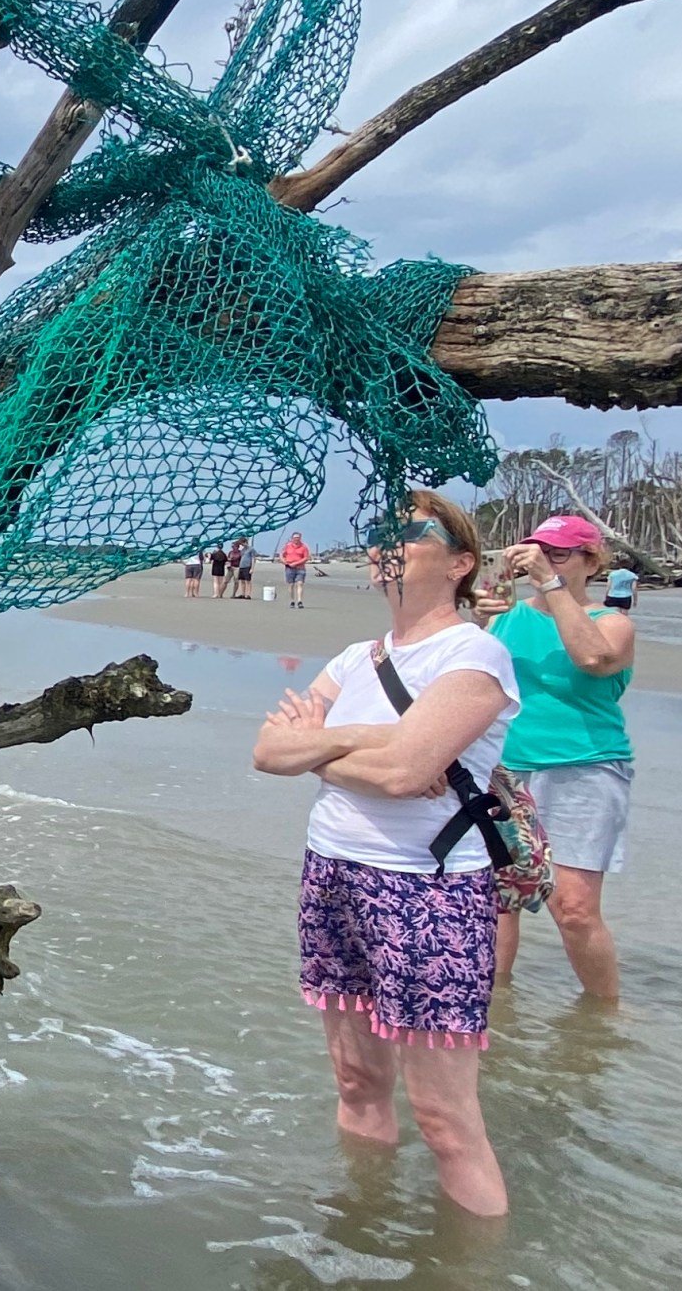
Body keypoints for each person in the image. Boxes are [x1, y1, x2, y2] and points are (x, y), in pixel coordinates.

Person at [251, 490, 518, 1218]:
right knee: (357, 1083)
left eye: (410, 532)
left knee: (445, 1119)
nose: (386, 543)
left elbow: (405, 775)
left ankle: (471, 1265)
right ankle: (360, 1229)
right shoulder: (356, 659)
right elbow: (268, 751)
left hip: (428, 890)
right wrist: (361, 739)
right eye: (379, 531)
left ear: (460, 563)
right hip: (332, 871)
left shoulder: (475, 655)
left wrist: (322, 744)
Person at [477, 515, 637, 1002]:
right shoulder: (507, 615)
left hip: (583, 768)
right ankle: (495, 1012)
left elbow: (594, 659)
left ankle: (604, 1017)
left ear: (592, 562)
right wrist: (479, 619)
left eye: (560, 554)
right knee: (497, 899)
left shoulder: (613, 623)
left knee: (574, 908)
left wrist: (550, 583)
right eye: (539, 551)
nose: (544, 560)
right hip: (503, 769)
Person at [282, 531, 313, 607]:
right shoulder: (288, 546)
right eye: (295, 538)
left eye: (298, 538)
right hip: (289, 567)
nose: (296, 539)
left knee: (300, 583)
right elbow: (282, 554)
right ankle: (292, 601)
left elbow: (306, 557)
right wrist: (284, 561)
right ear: (292, 538)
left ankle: (299, 601)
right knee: (291, 584)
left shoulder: (304, 547)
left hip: (300, 568)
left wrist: (296, 563)